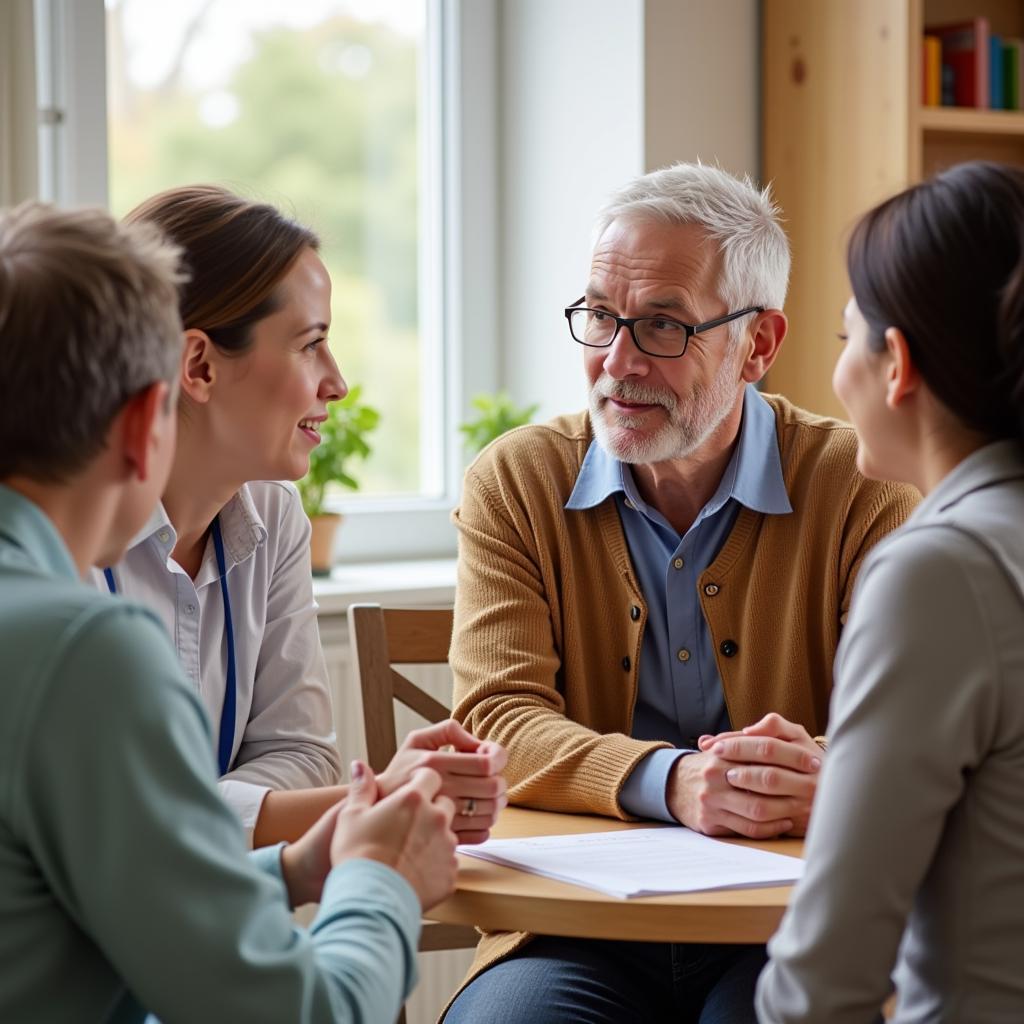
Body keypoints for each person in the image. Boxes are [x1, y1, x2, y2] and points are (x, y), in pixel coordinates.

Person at [443, 163, 919, 1023]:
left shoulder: (863, 490)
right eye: (599, 316)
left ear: (759, 344)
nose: (615, 363)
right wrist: (676, 781)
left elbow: (902, 732)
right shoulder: (515, 480)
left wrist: (824, 775)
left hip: (793, 925)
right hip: (568, 935)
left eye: (662, 325)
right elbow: (497, 720)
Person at [0, 199, 459, 1022]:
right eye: (313, 341)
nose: (338, 381)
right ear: (157, 413)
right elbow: (301, 1014)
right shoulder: (82, 651)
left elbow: (55, 913)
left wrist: (289, 870)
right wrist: (378, 881)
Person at [95, 185, 506, 848]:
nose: (337, 382)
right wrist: (369, 801)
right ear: (198, 364)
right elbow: (104, 810)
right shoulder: (63, 533)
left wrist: (192, 809)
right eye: (310, 344)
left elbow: (302, 753)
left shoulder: (274, 515)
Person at [756, 161, 1024, 1022]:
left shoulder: (938, 572)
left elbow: (823, 985)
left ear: (896, 362)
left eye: (845, 341)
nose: (838, 375)